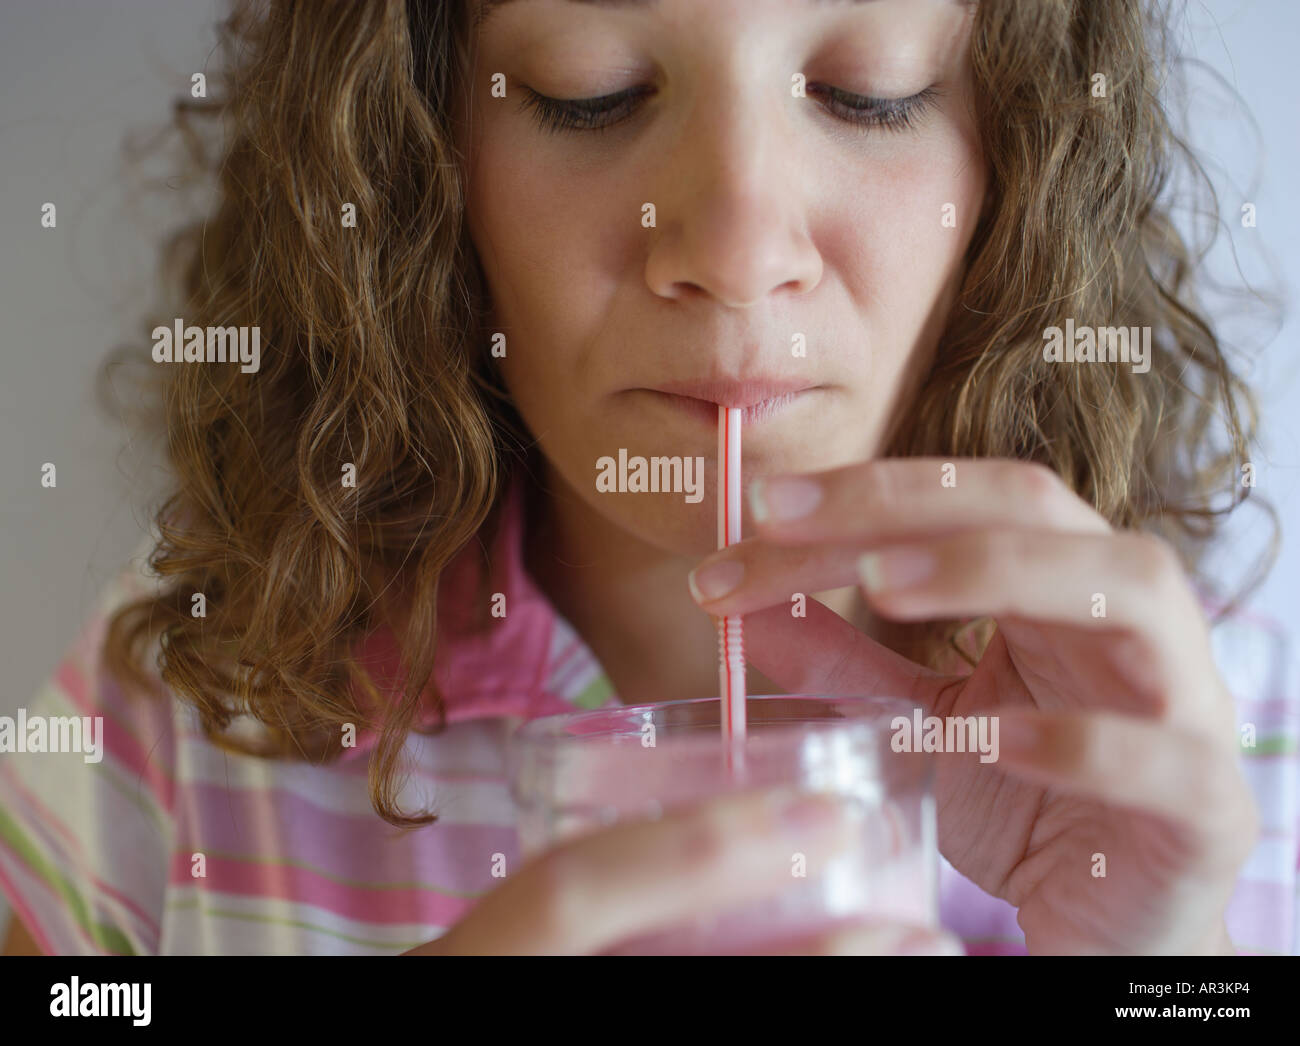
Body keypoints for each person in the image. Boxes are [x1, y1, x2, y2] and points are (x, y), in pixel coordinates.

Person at [1, 0, 1294, 956]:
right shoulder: (190, 693)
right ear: (421, 154)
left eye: (871, 90)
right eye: (592, 91)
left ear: (1019, 154)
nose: (737, 249)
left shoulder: (1210, 707)